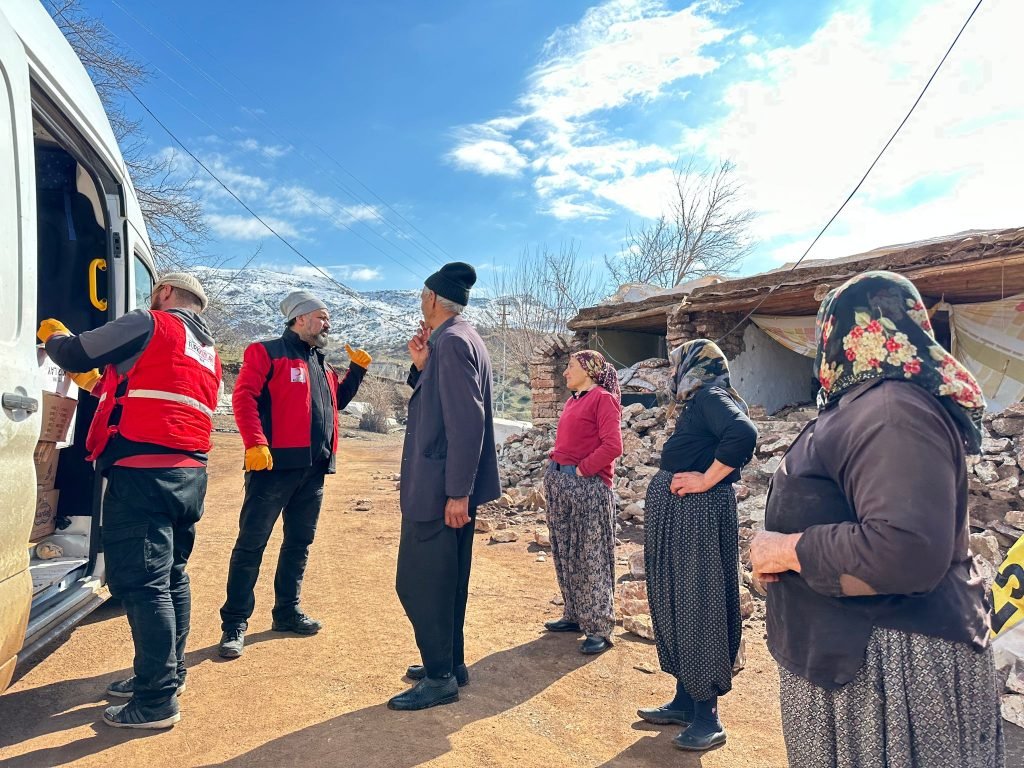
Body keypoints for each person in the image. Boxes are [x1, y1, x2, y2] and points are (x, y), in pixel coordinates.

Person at [750, 271, 1004, 768]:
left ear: (841, 332)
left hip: (889, 672)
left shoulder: (891, 408)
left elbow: (904, 550)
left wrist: (787, 550)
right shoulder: (866, 404)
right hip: (860, 663)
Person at [39, 272, 222, 730]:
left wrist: (55, 335)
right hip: (188, 473)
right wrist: (98, 385)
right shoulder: (207, 350)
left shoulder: (151, 322)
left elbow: (76, 351)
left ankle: (156, 700)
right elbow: (148, 393)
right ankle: (167, 675)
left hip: (142, 474)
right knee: (172, 576)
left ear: (162, 293)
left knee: (144, 586)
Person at [218, 291, 371, 658]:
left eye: (327, 318)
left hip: (314, 470)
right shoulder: (267, 352)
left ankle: (286, 612)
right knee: (251, 545)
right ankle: (235, 623)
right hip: (273, 468)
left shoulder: (322, 364)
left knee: (299, 543)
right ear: (299, 319)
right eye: (321, 317)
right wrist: (255, 442)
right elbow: (244, 398)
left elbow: (336, 404)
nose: (327, 324)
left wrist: (357, 373)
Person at [389, 262, 500, 711]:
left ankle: (439, 679)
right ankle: (450, 662)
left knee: (420, 583)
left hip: (439, 491)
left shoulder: (452, 342)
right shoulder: (459, 340)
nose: (420, 301)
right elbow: (442, 402)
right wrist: (420, 368)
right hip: (447, 487)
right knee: (448, 580)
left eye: (422, 295)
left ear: (434, 299)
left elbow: (466, 422)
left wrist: (457, 492)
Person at [637, 339, 757, 752]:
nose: (672, 373)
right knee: (675, 600)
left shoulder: (710, 395)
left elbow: (743, 433)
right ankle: (686, 700)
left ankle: (708, 716)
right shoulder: (700, 401)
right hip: (683, 516)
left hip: (697, 517)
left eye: (676, 365)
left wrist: (706, 479)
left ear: (694, 366)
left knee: (697, 603)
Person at [542, 350, 623, 655]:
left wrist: (583, 469)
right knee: (566, 552)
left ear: (588, 369)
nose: (565, 372)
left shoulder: (602, 399)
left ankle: (599, 627)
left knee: (591, 555)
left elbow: (614, 445)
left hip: (587, 486)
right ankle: (575, 615)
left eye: (571, 366)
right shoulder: (574, 399)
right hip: (561, 482)